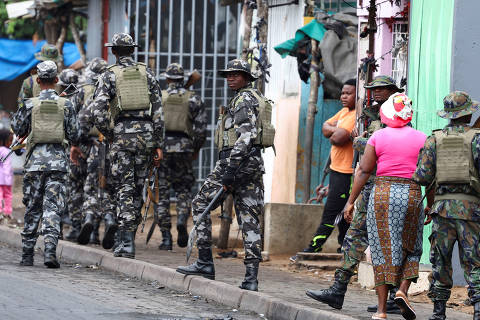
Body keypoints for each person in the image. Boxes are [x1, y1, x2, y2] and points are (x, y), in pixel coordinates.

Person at [306, 75, 404, 314]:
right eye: (374, 89)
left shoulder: (400, 114)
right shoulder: (372, 114)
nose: (377, 93)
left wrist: (359, 141)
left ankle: (393, 297)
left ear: (393, 91)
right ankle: (338, 290)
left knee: (389, 242)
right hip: (369, 185)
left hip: (387, 185)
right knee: (354, 236)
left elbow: (375, 146)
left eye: (382, 89)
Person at [177, 59, 271, 291]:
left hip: (236, 162)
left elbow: (245, 136)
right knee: (250, 220)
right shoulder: (255, 97)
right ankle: (251, 278)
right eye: (228, 75)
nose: (230, 78)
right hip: (253, 164)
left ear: (247, 77)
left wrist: (230, 170)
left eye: (236, 75)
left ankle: (205, 262)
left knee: (200, 203)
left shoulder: (243, 100)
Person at [72, 33, 164, 259]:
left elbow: (95, 111)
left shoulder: (109, 75)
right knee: (139, 187)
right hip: (147, 137)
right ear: (132, 50)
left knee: (124, 187)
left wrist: (111, 133)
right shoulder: (147, 73)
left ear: (114, 51)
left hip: (122, 136)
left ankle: (125, 243)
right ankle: (129, 239)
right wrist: (158, 143)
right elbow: (159, 111)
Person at [342, 93, 426, 320]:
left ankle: (381, 311)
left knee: (382, 249)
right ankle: (402, 290)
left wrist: (350, 202)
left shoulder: (377, 137)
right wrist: (431, 204)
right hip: (412, 193)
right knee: (412, 244)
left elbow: (364, 170)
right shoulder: (423, 138)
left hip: (383, 193)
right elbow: (430, 175)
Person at [412, 91, 480, 320]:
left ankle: (438, 313)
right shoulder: (477, 139)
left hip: (441, 211)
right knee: (474, 261)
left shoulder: (434, 139)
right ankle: (478, 310)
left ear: (448, 116)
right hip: (472, 211)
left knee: (440, 260)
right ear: (468, 113)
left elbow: (421, 177)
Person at [12, 60, 78, 268]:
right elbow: (74, 134)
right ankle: (50, 251)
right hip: (58, 163)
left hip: (34, 164)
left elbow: (17, 127)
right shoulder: (66, 104)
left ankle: (27, 255)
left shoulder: (30, 103)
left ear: (38, 80)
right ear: (57, 80)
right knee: (52, 208)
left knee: (33, 207)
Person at [299, 79, 356, 256]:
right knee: (342, 214)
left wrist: (335, 132)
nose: (344, 96)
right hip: (336, 170)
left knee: (331, 212)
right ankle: (343, 248)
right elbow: (326, 128)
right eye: (342, 93)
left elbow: (337, 138)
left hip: (347, 173)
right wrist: (335, 132)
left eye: (348, 93)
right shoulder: (344, 112)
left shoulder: (355, 115)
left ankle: (313, 248)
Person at [153, 63, 207, 250]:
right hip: (184, 148)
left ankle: (166, 238)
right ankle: (182, 219)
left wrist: (154, 148)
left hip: (162, 149)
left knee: (163, 194)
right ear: (182, 79)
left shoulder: (159, 97)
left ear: (167, 79)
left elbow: (152, 124)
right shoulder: (193, 99)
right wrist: (195, 149)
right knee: (184, 189)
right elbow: (201, 130)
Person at [17, 44, 62, 109]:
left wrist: (34, 105)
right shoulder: (62, 80)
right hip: (58, 118)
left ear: (41, 61)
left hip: (35, 117)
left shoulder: (30, 81)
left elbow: (21, 105)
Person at [0, 129, 13, 221]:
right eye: (10, 140)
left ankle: (1, 212)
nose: (11, 143)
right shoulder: (7, 151)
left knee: (1, 195)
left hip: (2, 177)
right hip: (7, 178)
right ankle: (7, 212)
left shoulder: (1, 150)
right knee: (8, 195)